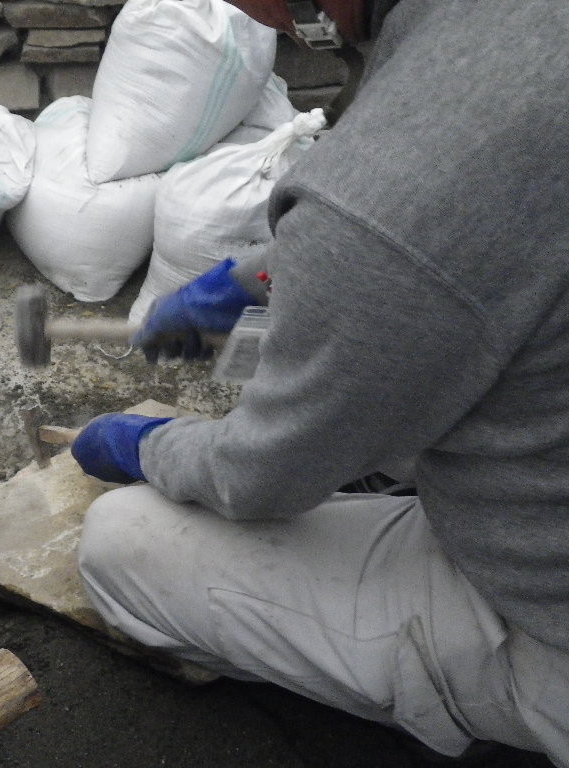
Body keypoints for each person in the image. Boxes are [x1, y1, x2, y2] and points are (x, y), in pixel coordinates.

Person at [70, 1, 569, 765]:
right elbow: (464, 241)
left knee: (120, 542)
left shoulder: (390, 198)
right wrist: (254, 275)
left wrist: (149, 446)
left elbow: (258, 479)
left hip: (547, 623)